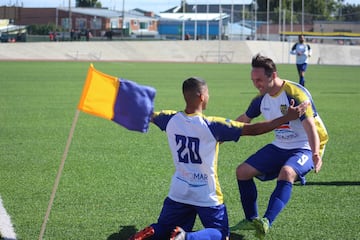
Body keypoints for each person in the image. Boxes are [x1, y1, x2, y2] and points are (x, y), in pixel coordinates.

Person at [128, 76, 308, 240]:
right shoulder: (213, 125)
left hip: (179, 189)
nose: (209, 96)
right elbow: (254, 129)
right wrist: (286, 118)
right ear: (201, 96)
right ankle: (185, 238)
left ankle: (153, 231)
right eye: (207, 93)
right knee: (221, 234)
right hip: (206, 192)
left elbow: (150, 115)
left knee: (166, 228)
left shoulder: (169, 118)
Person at [230, 54, 328, 240]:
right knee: (242, 171)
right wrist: (221, 132)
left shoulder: (295, 94)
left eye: (259, 79)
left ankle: (266, 221)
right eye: (253, 80)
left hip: (305, 146)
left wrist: (316, 153)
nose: (256, 84)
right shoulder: (261, 99)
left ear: (272, 75)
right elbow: (245, 119)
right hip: (280, 145)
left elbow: (310, 127)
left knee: (287, 172)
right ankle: (251, 220)